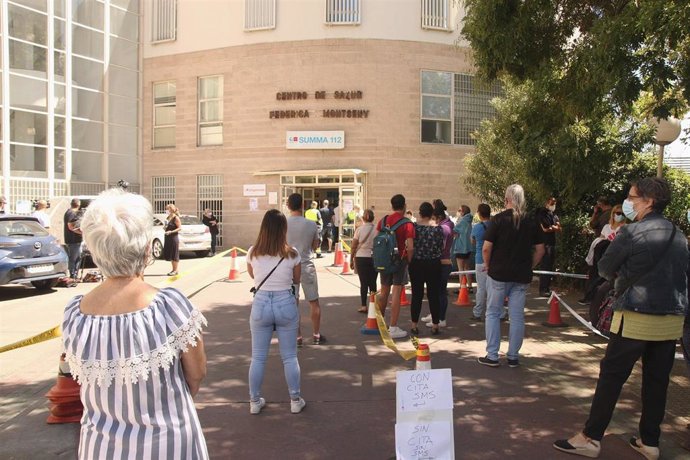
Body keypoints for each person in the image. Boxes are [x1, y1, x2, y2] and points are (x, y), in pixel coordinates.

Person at [61, 188, 208, 459]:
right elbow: (195, 374)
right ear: (144, 248)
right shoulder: (168, 305)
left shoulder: (75, 313)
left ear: (94, 249)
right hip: (169, 443)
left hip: (101, 447)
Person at [554, 177, 688, 459]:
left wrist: (622, 277)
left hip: (635, 316)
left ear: (649, 201)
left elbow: (604, 268)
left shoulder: (632, 232)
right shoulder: (679, 235)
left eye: (632, 197)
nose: (628, 202)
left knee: (611, 378)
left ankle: (590, 438)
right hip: (671, 319)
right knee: (657, 382)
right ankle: (650, 441)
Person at [246, 209, 306, 415]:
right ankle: (295, 400)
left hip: (261, 303)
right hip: (285, 303)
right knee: (289, 357)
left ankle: (254, 401)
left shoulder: (253, 252)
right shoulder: (292, 254)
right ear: (283, 229)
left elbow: (253, 275)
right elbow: (297, 280)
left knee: (258, 357)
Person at [478, 184, 545, 368]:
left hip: (498, 273)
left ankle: (492, 355)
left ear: (506, 199)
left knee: (492, 312)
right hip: (521, 275)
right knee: (517, 316)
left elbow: (486, 247)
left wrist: (488, 264)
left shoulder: (498, 220)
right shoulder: (531, 221)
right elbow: (540, 250)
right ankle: (513, 356)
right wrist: (530, 265)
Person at [287, 194, 326, 345]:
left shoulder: (283, 223)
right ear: (302, 205)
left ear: (288, 206)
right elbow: (315, 246)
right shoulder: (311, 224)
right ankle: (316, 334)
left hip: (289, 266)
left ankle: (297, 336)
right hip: (306, 265)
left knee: (292, 301)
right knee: (314, 301)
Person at [376, 194, 415, 339]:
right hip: (399, 259)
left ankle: (379, 324)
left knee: (384, 291)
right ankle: (393, 327)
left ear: (392, 206)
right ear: (404, 206)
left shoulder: (384, 220)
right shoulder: (407, 223)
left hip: (384, 259)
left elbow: (378, 239)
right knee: (397, 292)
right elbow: (410, 246)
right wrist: (409, 260)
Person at [580, 204, 627, 305]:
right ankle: (589, 296)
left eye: (623, 214)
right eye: (618, 213)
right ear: (613, 214)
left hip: (614, 258)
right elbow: (600, 240)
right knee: (594, 275)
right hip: (600, 256)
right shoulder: (606, 227)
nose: (620, 216)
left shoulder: (625, 228)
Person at [408, 202, 444, 336]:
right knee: (433, 294)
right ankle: (435, 325)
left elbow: (410, 246)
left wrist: (410, 261)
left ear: (420, 213)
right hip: (434, 263)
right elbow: (441, 247)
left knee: (416, 295)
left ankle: (414, 325)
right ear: (432, 214)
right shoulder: (438, 229)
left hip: (417, 263)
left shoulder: (414, 227)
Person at [469, 203, 504, 322]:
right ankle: (501, 313)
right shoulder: (496, 226)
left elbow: (472, 241)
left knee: (481, 288)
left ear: (479, 213)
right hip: (494, 260)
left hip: (480, 260)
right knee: (496, 288)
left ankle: (478, 313)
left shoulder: (477, 227)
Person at [421, 204, 453, 328]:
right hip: (442, 262)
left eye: (433, 218)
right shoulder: (447, 225)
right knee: (435, 291)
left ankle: (441, 318)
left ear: (438, 217)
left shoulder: (443, 228)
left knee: (440, 292)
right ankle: (435, 314)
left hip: (442, 263)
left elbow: (441, 246)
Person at [351, 209, 377, 313]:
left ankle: (363, 305)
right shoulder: (377, 230)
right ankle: (374, 305)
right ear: (373, 218)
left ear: (363, 218)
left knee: (363, 282)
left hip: (361, 257)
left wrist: (351, 259)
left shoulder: (359, 230)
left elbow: (353, 246)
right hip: (374, 257)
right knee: (373, 282)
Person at [535, 196, 562, 297]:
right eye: (552, 203)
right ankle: (543, 289)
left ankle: (546, 287)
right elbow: (545, 229)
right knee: (545, 266)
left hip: (551, 243)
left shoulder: (553, 214)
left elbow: (559, 228)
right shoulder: (542, 213)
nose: (553, 205)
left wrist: (553, 227)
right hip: (545, 243)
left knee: (549, 266)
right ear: (547, 202)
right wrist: (554, 227)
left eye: (554, 203)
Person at [452, 205, 474, 292]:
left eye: (460, 210)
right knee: (467, 268)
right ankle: (470, 286)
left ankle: (462, 287)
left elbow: (454, 230)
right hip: (468, 247)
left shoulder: (462, 221)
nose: (459, 212)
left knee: (460, 269)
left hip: (460, 247)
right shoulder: (469, 220)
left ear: (463, 212)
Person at [63, 198, 83, 280]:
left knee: (78, 257)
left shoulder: (71, 212)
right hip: (73, 239)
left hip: (75, 240)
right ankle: (72, 274)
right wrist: (81, 233)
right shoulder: (71, 213)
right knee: (73, 258)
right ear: (78, 204)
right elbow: (70, 226)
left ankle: (75, 274)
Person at [164, 203, 181, 276]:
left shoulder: (176, 218)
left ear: (171, 209)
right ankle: (173, 269)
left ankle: (175, 270)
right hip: (168, 238)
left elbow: (179, 228)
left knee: (174, 254)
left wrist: (171, 231)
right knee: (171, 254)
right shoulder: (168, 218)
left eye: (167, 209)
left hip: (173, 237)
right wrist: (165, 228)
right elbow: (167, 226)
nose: (166, 210)